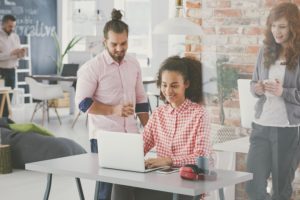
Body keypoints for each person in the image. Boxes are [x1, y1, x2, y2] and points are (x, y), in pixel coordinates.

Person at [111, 56, 211, 200]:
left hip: (187, 186)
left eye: (174, 85)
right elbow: (141, 145)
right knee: (121, 184)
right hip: (161, 183)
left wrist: (169, 160)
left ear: (186, 84)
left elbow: (201, 158)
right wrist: (125, 157)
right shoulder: (159, 114)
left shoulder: (199, 114)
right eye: (164, 85)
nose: (168, 91)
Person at [75, 9, 149, 200]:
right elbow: (82, 103)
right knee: (106, 188)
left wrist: (150, 129)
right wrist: (113, 110)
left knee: (132, 185)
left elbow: (141, 100)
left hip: (131, 135)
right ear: (104, 41)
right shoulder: (92, 68)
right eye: (114, 44)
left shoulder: (134, 64)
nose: (119, 48)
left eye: (123, 43)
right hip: (104, 137)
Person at [246, 3, 300, 200]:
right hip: (261, 127)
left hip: (286, 130)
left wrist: (283, 91)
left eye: (283, 27)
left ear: (293, 27)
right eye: (274, 26)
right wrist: (258, 89)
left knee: (280, 191)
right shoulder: (265, 50)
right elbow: (253, 83)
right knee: (253, 187)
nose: (276, 31)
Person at [0, 15, 25, 117]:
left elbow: (17, 56)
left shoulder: (15, 37)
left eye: (14, 26)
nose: (12, 29)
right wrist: (11, 54)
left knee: (8, 97)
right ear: (3, 24)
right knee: (1, 96)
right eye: (10, 26)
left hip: (12, 70)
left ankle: (5, 120)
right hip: (1, 70)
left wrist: (21, 54)